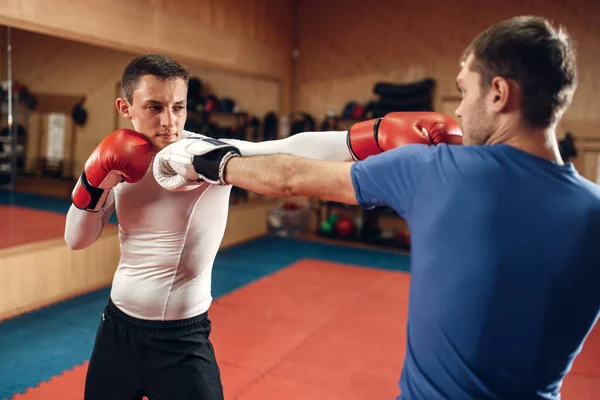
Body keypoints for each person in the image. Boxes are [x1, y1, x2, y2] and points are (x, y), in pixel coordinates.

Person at [154, 16, 600, 400]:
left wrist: (204, 160)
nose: (459, 109)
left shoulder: (436, 170)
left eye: (465, 90)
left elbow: (291, 176)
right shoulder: (593, 212)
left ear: (499, 93)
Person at [64, 54, 459, 400]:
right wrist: (94, 181)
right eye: (155, 107)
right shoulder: (111, 159)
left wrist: (374, 135)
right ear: (125, 106)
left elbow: (291, 147)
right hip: (116, 328)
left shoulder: (201, 152)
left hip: (179, 340)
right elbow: (77, 239)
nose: (170, 122)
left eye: (178, 107)